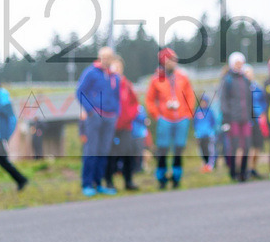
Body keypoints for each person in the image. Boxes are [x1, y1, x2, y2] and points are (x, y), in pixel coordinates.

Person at [146, 48, 196, 189]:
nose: (173, 62)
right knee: (163, 148)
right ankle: (161, 178)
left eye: (174, 59)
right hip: (165, 119)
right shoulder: (156, 79)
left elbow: (190, 96)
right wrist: (157, 115)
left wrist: (188, 113)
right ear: (163, 61)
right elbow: (150, 100)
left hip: (181, 118)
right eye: (170, 59)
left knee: (179, 148)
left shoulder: (182, 77)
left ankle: (176, 176)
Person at [75, 46, 120, 197]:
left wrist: (116, 113)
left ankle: (98, 183)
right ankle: (87, 184)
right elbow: (79, 92)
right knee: (91, 150)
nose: (106, 60)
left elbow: (117, 97)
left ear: (113, 58)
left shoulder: (114, 76)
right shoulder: (91, 72)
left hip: (110, 117)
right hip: (95, 117)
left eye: (109, 57)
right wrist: (90, 111)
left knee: (103, 151)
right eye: (103, 56)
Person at [219, 52, 253, 182]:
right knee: (233, 146)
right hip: (232, 118)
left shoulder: (245, 80)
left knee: (247, 145)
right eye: (237, 63)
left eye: (241, 63)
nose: (239, 66)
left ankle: (244, 172)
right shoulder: (227, 80)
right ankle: (233, 172)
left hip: (245, 118)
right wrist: (226, 118)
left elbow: (249, 99)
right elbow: (223, 100)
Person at [106, 59, 139, 191]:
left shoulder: (127, 84)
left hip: (126, 125)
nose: (117, 69)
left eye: (119, 66)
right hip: (110, 125)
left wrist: (130, 116)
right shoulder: (107, 83)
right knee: (110, 155)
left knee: (127, 153)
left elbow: (134, 103)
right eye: (114, 66)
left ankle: (128, 181)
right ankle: (109, 181)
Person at [193, 94, 218, 173]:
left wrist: (211, 132)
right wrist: (196, 134)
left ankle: (211, 165)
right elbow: (195, 123)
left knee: (210, 150)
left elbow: (213, 122)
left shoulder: (210, 111)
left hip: (209, 134)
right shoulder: (197, 112)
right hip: (200, 135)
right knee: (202, 150)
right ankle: (205, 164)